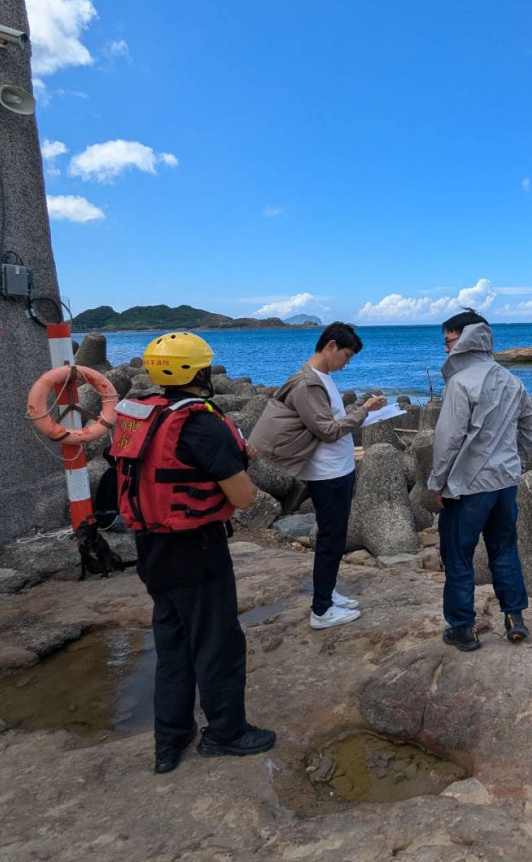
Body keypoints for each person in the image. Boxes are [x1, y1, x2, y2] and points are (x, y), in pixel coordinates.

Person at [110, 331, 275, 775]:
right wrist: (243, 465)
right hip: (197, 550)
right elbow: (242, 498)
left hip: (151, 550)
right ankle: (226, 734)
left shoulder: (143, 416)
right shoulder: (202, 422)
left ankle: (170, 742)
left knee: (173, 645)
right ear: (200, 372)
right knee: (217, 644)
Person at [249, 322, 387, 630]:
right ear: (331, 346)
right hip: (328, 474)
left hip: (338, 468)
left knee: (334, 538)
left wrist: (363, 411)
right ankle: (321, 610)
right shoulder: (308, 384)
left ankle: (328, 592)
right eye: (347, 355)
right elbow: (327, 430)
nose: (347, 362)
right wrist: (364, 410)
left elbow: (330, 421)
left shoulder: (321, 378)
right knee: (330, 539)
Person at [428, 310, 532, 652]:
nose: (446, 349)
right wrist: (515, 463)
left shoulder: (460, 383)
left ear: (464, 339)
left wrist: (437, 483)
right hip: (504, 484)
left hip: (469, 487)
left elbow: (447, 441)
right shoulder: (511, 379)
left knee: (458, 555)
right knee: (504, 549)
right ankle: (514, 618)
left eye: (449, 341)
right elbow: (531, 430)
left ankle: (463, 628)